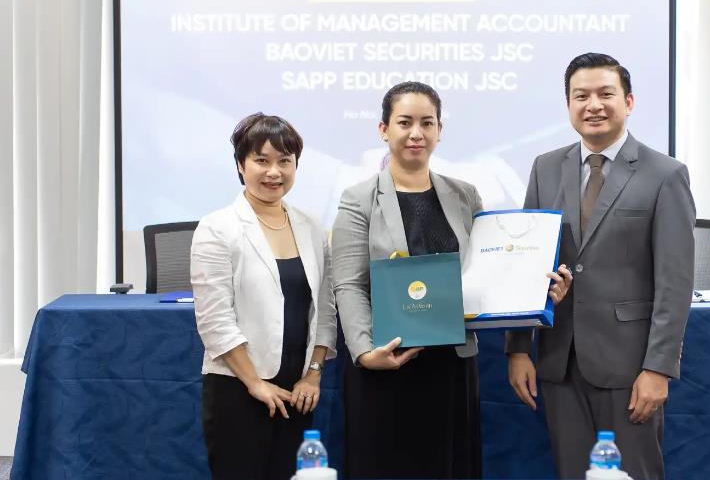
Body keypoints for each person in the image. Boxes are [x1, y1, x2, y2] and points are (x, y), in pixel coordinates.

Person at [332, 81, 571, 479]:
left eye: (427, 123)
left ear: (440, 130)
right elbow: (349, 283)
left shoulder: (465, 195)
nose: (416, 133)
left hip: (452, 366)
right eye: (404, 122)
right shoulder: (358, 199)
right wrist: (365, 352)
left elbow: (488, 271)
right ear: (383, 129)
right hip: (385, 362)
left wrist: (538, 293)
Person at [506, 53, 695, 480]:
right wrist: (518, 349)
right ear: (568, 105)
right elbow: (525, 262)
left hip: (629, 366)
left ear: (628, 101)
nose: (593, 105)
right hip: (559, 361)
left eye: (605, 94)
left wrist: (658, 369)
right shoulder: (546, 168)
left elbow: (675, 283)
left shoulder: (665, 174)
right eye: (581, 96)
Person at [191, 113, 337, 480]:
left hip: (297, 392)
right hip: (238, 388)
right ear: (241, 165)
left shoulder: (311, 227)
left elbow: (324, 309)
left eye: (285, 161)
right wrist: (255, 383)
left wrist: (313, 375)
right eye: (262, 160)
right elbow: (214, 321)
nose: (274, 172)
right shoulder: (218, 227)